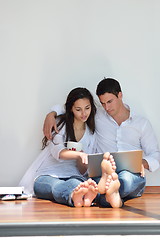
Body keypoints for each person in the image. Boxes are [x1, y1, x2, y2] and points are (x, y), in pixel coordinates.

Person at [43, 78, 160, 205]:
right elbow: (71, 107)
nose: (107, 107)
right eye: (103, 103)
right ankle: (113, 198)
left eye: (110, 101)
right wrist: (51, 115)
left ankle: (112, 191)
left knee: (125, 178)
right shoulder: (97, 115)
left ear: (120, 95)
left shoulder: (141, 123)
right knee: (99, 189)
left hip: (131, 173)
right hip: (103, 174)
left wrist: (143, 163)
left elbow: (155, 154)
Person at [19, 87, 100, 207]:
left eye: (87, 108)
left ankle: (82, 197)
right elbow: (59, 152)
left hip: (73, 174)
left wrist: (83, 159)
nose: (84, 113)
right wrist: (79, 154)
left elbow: (82, 170)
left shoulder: (91, 134)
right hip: (47, 174)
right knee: (55, 185)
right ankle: (74, 196)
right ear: (71, 109)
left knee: (75, 183)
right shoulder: (59, 124)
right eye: (78, 109)